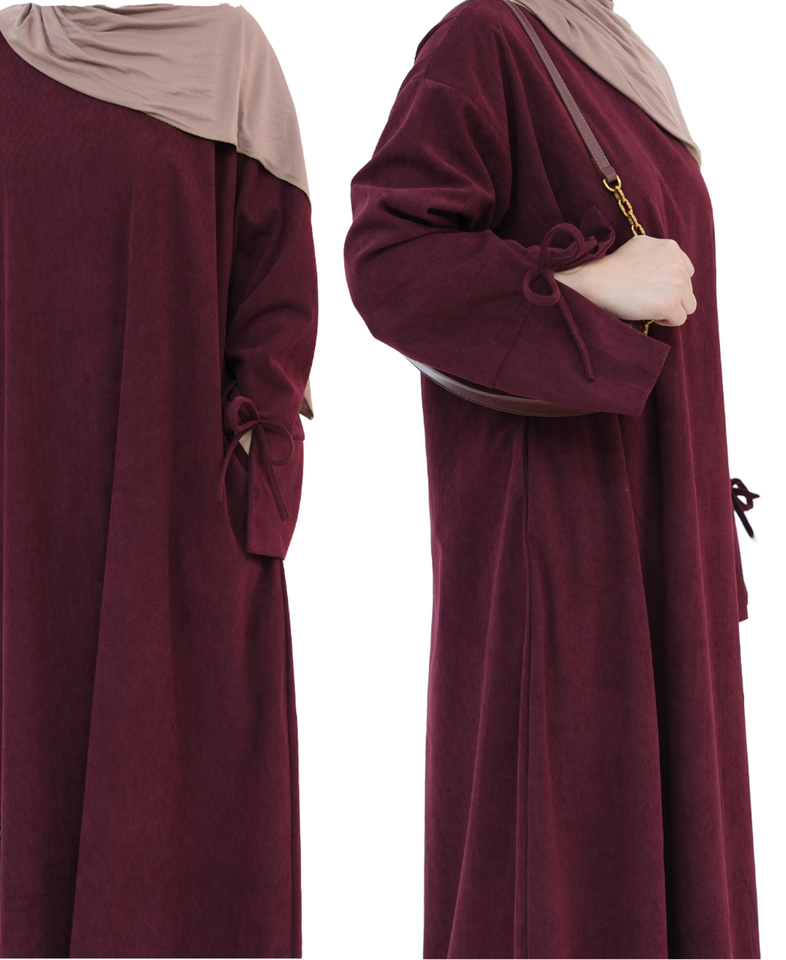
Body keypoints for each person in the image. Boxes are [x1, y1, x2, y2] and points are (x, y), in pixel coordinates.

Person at [0, 4, 317, 957]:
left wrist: (254, 479)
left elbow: (277, 296)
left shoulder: (230, 56)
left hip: (187, 530)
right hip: (27, 537)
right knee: (52, 832)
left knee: (191, 837)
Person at [344, 0, 760, 957]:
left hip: (665, 535)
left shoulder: (629, 63)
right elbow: (389, 256)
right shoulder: (485, 39)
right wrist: (584, 283)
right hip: (562, 543)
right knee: (560, 859)